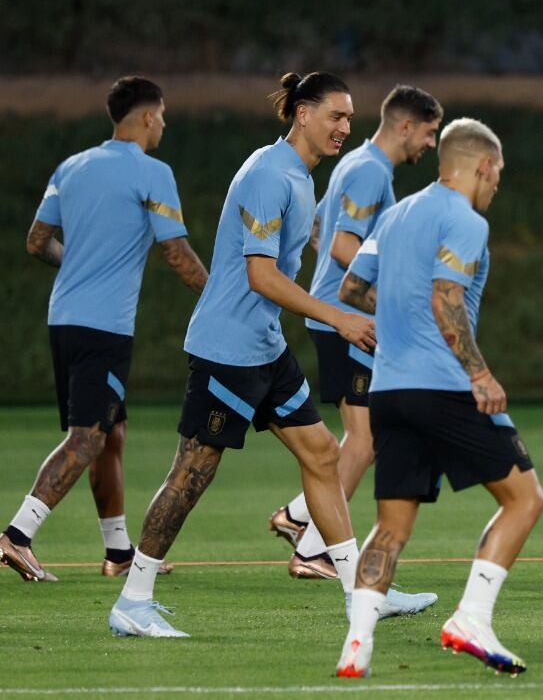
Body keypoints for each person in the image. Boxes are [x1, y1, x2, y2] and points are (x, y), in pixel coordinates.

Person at [106, 72, 432, 638]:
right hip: (228, 350)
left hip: (264, 347)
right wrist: (340, 316)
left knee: (324, 455)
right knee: (192, 473)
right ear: (302, 114)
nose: (345, 127)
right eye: (336, 116)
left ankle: (362, 594)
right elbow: (260, 275)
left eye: (350, 118)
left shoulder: (301, 176)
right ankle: (133, 600)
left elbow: (302, 245)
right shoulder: (267, 174)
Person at [335, 119, 543, 678]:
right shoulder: (465, 220)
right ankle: (470, 618)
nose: (497, 183)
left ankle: (356, 646)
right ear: (483, 167)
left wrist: (400, 306)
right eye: (497, 172)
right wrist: (481, 375)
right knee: (526, 499)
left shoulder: (395, 214)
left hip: (388, 390)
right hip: (443, 386)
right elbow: (446, 299)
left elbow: (351, 289)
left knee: (391, 527)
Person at [0, 77, 207, 583]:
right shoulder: (153, 173)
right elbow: (177, 255)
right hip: (104, 328)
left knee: (111, 434)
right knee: (87, 439)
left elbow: (36, 241)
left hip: (64, 319)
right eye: (161, 115)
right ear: (145, 118)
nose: (164, 124)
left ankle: (118, 553)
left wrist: (78, 265)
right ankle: (16, 536)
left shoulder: (72, 166)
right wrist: (221, 297)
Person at [269, 84, 443, 580]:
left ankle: (300, 517)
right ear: (405, 126)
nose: (430, 145)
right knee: (364, 440)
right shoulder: (369, 170)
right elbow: (345, 247)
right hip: (347, 319)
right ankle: (312, 549)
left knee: (362, 436)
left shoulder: (356, 164)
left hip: (336, 314)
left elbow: (323, 231)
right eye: (429, 134)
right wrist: (401, 289)